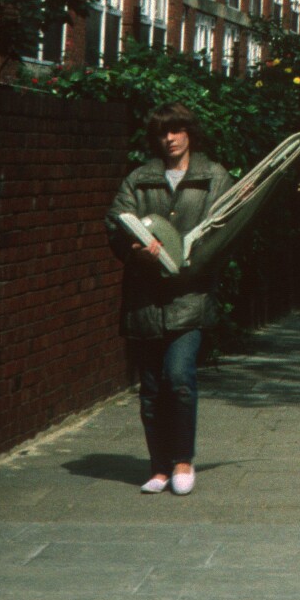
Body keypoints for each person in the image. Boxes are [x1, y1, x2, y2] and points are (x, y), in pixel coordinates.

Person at [108, 105, 231, 496]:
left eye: (177, 131)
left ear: (190, 133)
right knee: (150, 389)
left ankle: (182, 460)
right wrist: (135, 249)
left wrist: (192, 261)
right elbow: (116, 222)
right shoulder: (140, 179)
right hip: (145, 300)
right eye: (163, 133)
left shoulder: (213, 177)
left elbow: (225, 230)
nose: (170, 140)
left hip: (189, 298)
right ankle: (158, 468)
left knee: (178, 378)